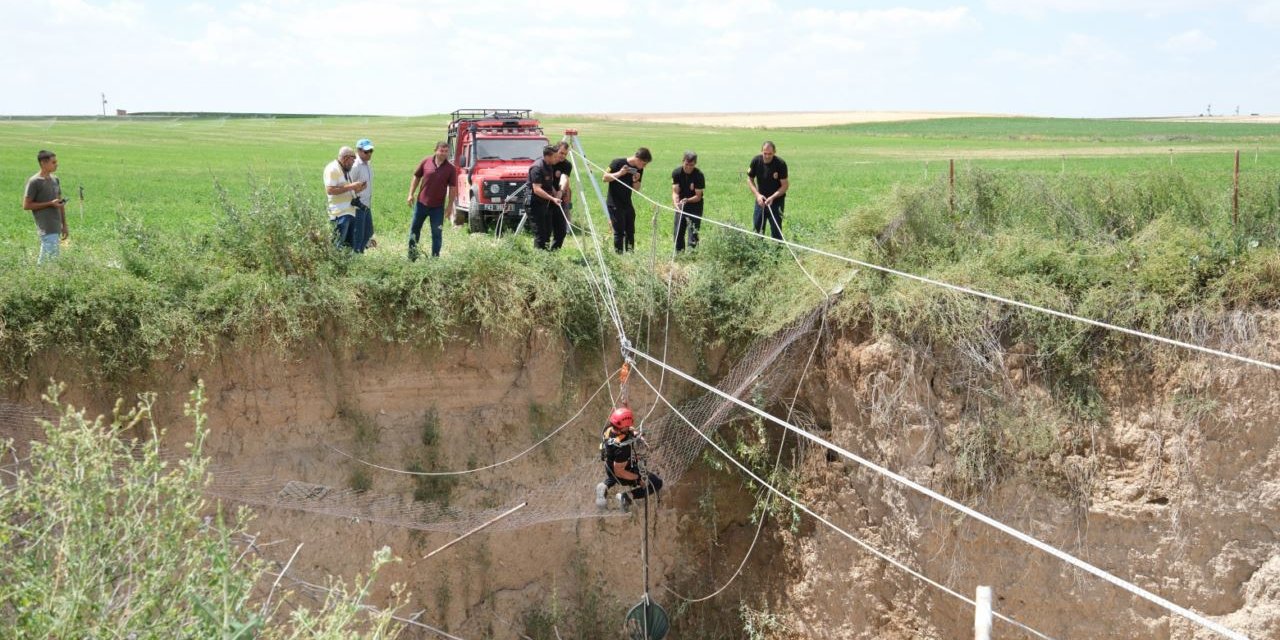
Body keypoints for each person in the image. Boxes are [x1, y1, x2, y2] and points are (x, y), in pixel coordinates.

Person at [595, 406, 663, 511]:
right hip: (621, 473)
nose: (630, 427)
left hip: (609, 467)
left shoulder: (609, 429)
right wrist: (639, 478)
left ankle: (605, 485)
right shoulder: (623, 447)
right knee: (656, 483)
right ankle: (625, 497)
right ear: (622, 428)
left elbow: (628, 428)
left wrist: (636, 434)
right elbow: (619, 472)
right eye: (627, 426)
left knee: (616, 472)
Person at [407, 141, 457, 260]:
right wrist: (410, 194)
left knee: (436, 234)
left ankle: (434, 260)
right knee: (414, 231)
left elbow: (453, 188)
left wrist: (450, 207)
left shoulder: (451, 168)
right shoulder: (426, 162)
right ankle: (412, 257)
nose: (444, 153)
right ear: (435, 150)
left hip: (438, 208)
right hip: (421, 205)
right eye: (441, 151)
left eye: (446, 151)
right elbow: (416, 177)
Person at [603, 147, 652, 253]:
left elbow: (636, 189)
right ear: (638, 159)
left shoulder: (639, 169)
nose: (644, 166)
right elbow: (605, 178)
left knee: (630, 231)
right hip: (614, 203)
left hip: (627, 203)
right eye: (644, 163)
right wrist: (620, 173)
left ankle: (630, 256)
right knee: (619, 232)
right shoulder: (617, 162)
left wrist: (635, 180)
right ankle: (619, 257)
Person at [22, 149, 68, 264]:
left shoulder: (55, 180)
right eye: (53, 162)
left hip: (56, 226)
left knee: (52, 259)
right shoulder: (34, 182)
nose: (56, 164)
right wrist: (50, 203)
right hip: (46, 227)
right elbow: (26, 205)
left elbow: (60, 203)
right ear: (43, 163)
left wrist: (64, 224)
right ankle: (37, 278)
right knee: (47, 261)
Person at [324, 146, 365, 250]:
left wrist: (357, 189)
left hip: (349, 211)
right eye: (353, 159)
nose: (354, 162)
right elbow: (330, 190)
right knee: (338, 246)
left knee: (348, 247)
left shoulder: (344, 170)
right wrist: (352, 186)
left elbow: (344, 188)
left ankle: (345, 266)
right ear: (346, 158)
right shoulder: (332, 169)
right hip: (339, 214)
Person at [747, 140, 789, 240]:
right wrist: (757, 195)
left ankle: (777, 252)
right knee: (757, 228)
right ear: (761, 151)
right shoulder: (756, 161)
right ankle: (757, 250)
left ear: (774, 152)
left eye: (770, 154)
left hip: (776, 201)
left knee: (776, 229)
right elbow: (749, 179)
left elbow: (785, 185)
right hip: (761, 201)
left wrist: (773, 197)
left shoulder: (781, 164)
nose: (767, 156)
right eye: (765, 153)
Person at [528, 144, 567, 250]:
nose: (557, 159)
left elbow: (549, 185)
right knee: (540, 235)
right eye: (555, 156)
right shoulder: (537, 167)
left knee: (547, 234)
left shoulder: (549, 166)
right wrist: (552, 199)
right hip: (534, 203)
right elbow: (537, 189)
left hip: (545, 203)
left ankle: (547, 259)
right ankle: (539, 262)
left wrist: (557, 194)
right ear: (548, 156)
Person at [670, 151, 705, 252]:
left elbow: (698, 196)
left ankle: (692, 255)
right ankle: (679, 253)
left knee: (693, 231)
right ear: (683, 161)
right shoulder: (676, 172)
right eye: (686, 164)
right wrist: (676, 203)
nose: (689, 167)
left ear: (695, 164)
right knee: (678, 231)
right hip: (681, 204)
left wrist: (687, 200)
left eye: (691, 165)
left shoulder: (699, 175)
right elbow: (675, 192)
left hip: (695, 206)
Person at [349, 138, 375, 252]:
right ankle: (356, 256)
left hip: (367, 204)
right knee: (358, 235)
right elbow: (348, 185)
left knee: (369, 231)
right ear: (358, 151)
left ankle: (360, 252)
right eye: (366, 151)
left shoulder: (368, 163)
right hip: (358, 206)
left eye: (371, 151)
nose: (369, 154)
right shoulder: (355, 166)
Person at [554, 141, 574, 222]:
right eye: (561, 153)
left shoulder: (567, 164)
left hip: (561, 189)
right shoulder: (550, 162)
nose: (563, 156)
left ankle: (567, 227)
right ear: (556, 151)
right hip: (548, 188)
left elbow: (564, 178)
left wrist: (561, 192)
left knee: (565, 206)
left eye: (565, 154)